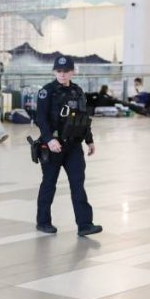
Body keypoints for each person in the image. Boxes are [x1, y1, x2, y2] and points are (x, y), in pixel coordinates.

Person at [35, 55, 102, 237]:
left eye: (66, 71)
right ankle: (43, 222)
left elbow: (83, 119)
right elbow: (40, 118)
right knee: (49, 184)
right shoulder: (46, 92)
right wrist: (49, 139)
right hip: (53, 147)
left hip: (73, 147)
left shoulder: (78, 91)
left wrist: (89, 139)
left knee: (78, 184)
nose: (62, 75)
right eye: (59, 71)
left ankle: (85, 224)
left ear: (72, 72)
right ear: (54, 72)